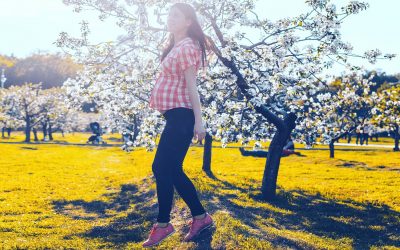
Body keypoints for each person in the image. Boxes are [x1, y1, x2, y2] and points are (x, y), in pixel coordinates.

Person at [143, 3, 214, 247]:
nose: (170, 19)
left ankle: (164, 225)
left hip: (183, 116)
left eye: (177, 16)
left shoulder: (186, 47)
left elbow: (192, 86)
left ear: (188, 22)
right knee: (170, 169)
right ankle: (199, 217)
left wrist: (199, 121)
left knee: (162, 167)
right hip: (175, 117)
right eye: (169, 15)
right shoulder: (175, 45)